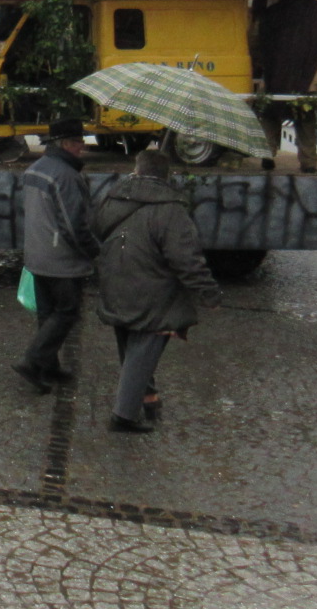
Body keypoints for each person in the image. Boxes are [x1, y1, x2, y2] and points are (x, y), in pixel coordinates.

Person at [92, 148, 222, 433]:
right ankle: (124, 415)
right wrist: (208, 293)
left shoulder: (112, 197)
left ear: (136, 170)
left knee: (130, 340)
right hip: (152, 288)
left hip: (115, 279)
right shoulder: (171, 209)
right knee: (146, 345)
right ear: (167, 175)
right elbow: (186, 258)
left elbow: (97, 229)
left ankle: (147, 397)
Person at [13, 117, 102, 393]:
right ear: (65, 144)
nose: (82, 147)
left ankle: (48, 368)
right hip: (61, 260)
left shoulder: (35, 169)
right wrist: (94, 252)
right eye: (78, 142)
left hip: (37, 255)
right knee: (67, 312)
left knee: (47, 313)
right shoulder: (66, 176)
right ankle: (33, 361)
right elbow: (73, 225)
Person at [255, 0, 317, 172]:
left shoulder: (273, 12)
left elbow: (255, 38)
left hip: (275, 76)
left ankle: (267, 156)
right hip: (308, 78)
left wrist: (261, 62)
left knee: (271, 114)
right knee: (305, 118)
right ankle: (308, 162)